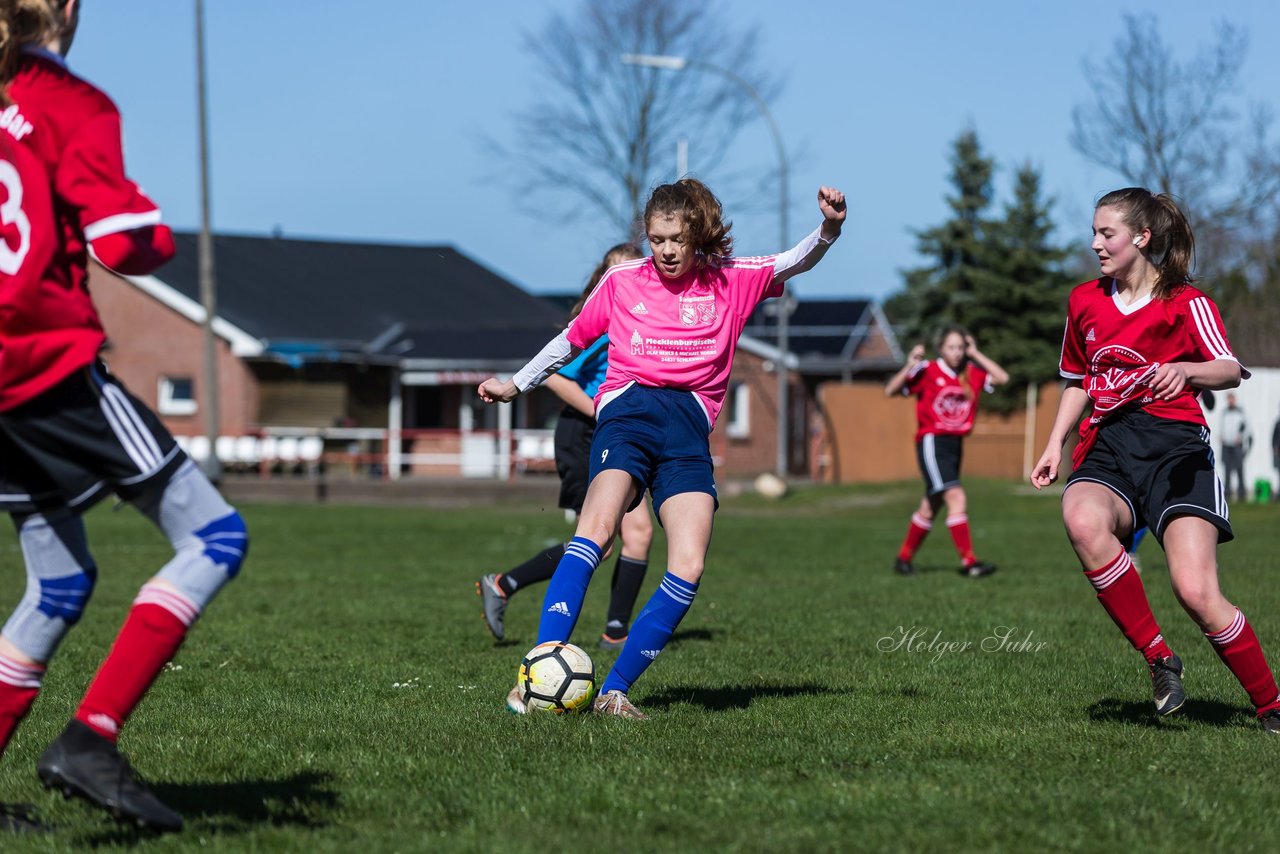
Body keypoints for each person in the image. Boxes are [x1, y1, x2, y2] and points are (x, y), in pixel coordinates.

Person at [0, 0, 249, 832]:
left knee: (62, 580)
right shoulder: (68, 101)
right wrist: (153, 232)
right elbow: (123, 240)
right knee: (215, 537)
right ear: (69, 8)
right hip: (46, 371)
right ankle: (90, 738)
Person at [479, 178, 846, 719]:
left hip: (687, 432)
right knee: (596, 532)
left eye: (676, 238)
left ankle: (615, 692)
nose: (666, 250)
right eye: (656, 239)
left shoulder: (732, 279)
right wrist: (517, 383)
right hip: (627, 416)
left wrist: (830, 228)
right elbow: (573, 339)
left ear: (697, 234)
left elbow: (795, 261)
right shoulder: (622, 279)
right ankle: (536, 674)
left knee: (689, 566)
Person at [1031, 187, 1279, 734]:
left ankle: (1270, 705)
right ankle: (1160, 659)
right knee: (1081, 518)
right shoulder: (1084, 302)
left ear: (1141, 239)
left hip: (1176, 451)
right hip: (1109, 448)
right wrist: (1054, 444)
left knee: (1195, 591)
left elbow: (1231, 368)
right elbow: (1076, 381)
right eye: (1093, 232)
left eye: (1107, 234)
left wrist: (1187, 371)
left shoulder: (1186, 301)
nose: (1095, 243)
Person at [476, 244, 654, 651]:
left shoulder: (640, 317)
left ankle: (614, 632)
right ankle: (504, 584)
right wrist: (599, 409)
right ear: (603, 278)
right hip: (585, 432)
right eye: (618, 270)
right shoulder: (601, 319)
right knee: (599, 543)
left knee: (639, 533)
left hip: (617, 431)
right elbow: (555, 376)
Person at [884, 328, 1008, 577]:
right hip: (933, 442)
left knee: (933, 504)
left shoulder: (970, 373)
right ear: (941, 348)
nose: (957, 352)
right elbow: (891, 390)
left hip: (955, 444)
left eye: (961, 347)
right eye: (951, 347)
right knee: (955, 497)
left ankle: (904, 558)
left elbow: (1002, 378)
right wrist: (909, 365)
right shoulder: (928, 370)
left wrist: (976, 353)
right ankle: (969, 563)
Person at [1219, 392, 1251, 502]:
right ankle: (1227, 494)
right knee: (1227, 470)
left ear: (1235, 399)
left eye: (1232, 399)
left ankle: (1241, 494)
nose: (1230, 401)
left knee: (1239, 469)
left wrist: (1241, 438)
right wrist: (1221, 436)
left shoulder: (1240, 412)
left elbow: (1246, 428)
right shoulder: (1224, 412)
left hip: (1237, 445)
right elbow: (1222, 427)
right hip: (1226, 445)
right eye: (1229, 399)